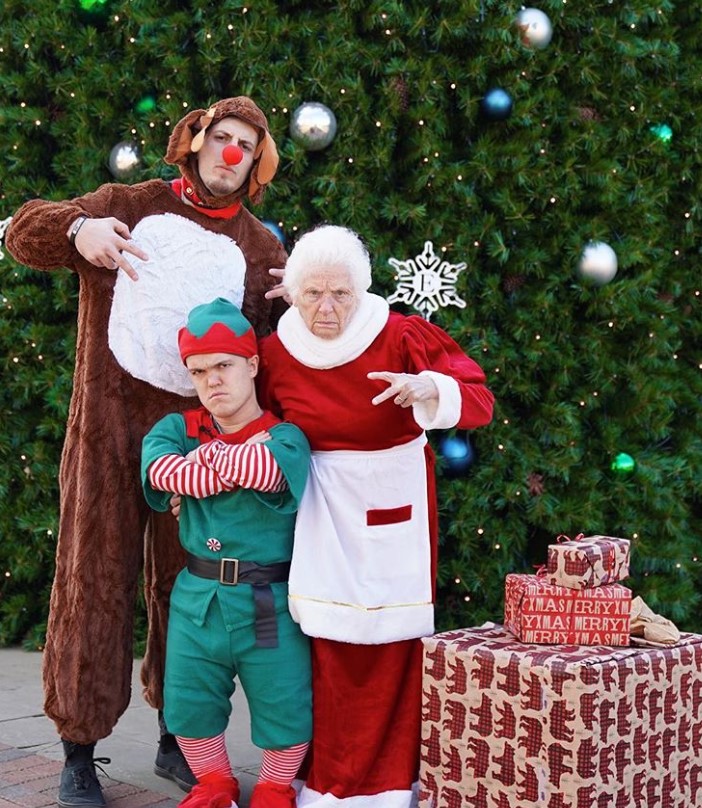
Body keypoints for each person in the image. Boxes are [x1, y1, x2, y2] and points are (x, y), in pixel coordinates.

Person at [5, 96, 288, 808]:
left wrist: (300, 302)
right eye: (220, 137)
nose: (230, 153)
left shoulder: (261, 248)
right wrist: (79, 227)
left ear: (258, 162)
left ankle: (177, 736)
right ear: (193, 141)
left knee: (187, 592)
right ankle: (78, 750)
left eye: (245, 145)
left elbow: (278, 355)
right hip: (106, 429)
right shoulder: (128, 202)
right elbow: (22, 232)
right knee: (92, 580)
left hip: (199, 446)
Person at [256, 225, 495, 808]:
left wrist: (430, 388)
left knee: (392, 647)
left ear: (361, 290)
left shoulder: (400, 334)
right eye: (312, 294)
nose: (328, 307)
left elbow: (480, 402)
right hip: (317, 516)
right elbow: (248, 418)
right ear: (291, 293)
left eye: (340, 292)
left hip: (395, 511)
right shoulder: (275, 352)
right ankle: (319, 780)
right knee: (318, 645)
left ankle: (389, 786)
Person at [142, 298, 311, 808]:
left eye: (224, 365)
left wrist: (205, 461)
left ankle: (275, 787)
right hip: (198, 599)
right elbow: (160, 471)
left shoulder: (286, 436)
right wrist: (214, 461)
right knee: (188, 701)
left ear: (252, 365)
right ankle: (215, 783)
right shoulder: (176, 428)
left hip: (265, 600)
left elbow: (266, 471)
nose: (212, 380)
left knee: (283, 698)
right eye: (199, 371)